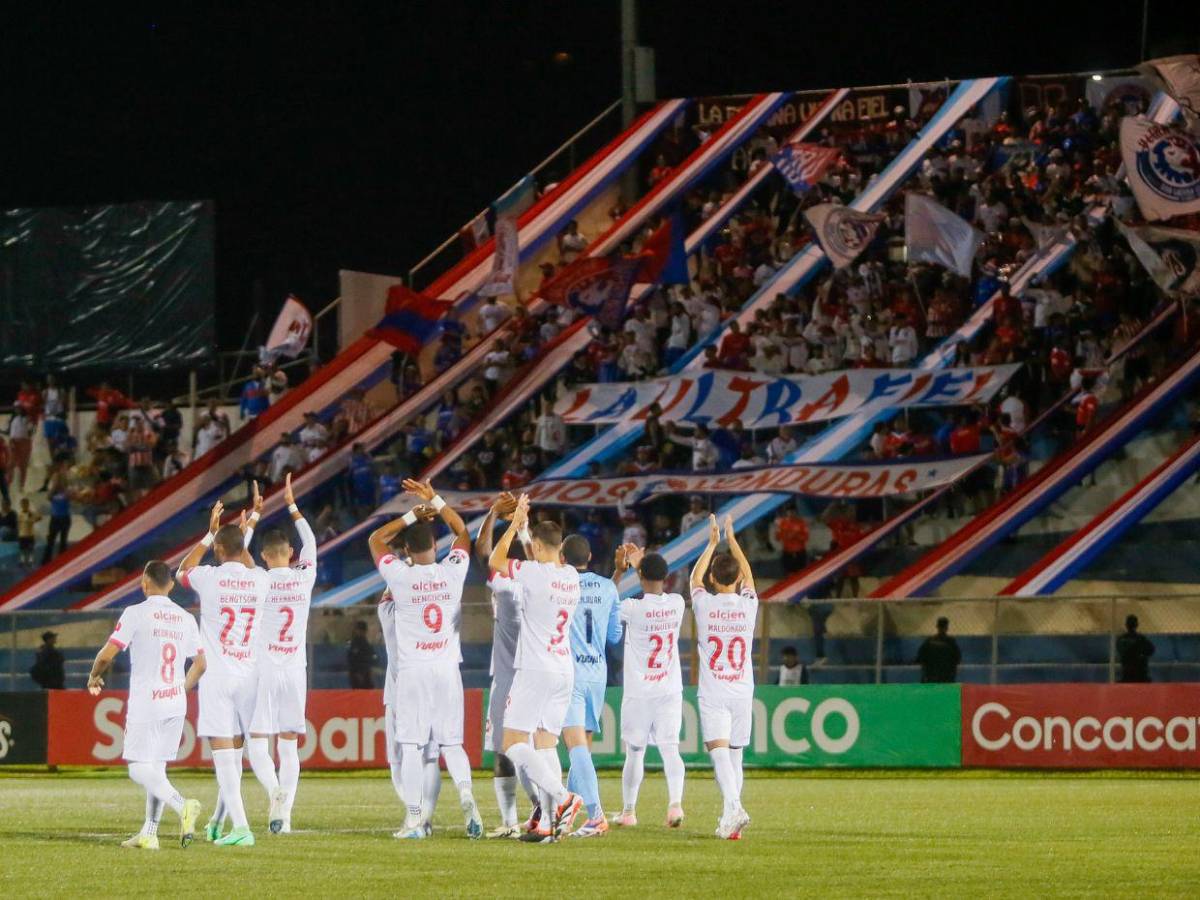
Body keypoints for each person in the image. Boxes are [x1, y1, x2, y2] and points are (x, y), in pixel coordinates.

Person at [368, 479, 482, 840]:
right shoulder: (453, 571)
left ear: (406, 550)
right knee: (452, 744)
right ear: (435, 545)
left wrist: (409, 514)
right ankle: (467, 798)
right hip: (448, 667)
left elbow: (374, 540)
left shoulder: (399, 576)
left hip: (414, 671)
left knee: (413, 746)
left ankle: (415, 820)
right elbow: (463, 532)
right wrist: (434, 497)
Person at [86, 560, 206, 849]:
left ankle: (183, 805)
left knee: (137, 768)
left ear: (144, 582)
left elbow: (107, 654)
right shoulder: (185, 618)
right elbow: (201, 664)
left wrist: (93, 676)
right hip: (175, 703)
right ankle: (149, 833)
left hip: (147, 702)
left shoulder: (136, 613)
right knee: (157, 770)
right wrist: (180, 688)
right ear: (171, 585)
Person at [488, 494, 584, 843]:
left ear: (542, 547)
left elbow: (496, 559)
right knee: (545, 745)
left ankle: (563, 799)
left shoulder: (533, 573)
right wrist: (527, 527)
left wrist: (514, 526)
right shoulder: (570, 575)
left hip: (535, 668)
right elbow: (539, 559)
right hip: (563, 669)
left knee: (512, 743)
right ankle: (546, 826)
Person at [176, 499, 270, 847]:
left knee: (223, 756)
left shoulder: (209, 578)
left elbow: (181, 571)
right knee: (239, 753)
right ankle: (219, 821)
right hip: (250, 674)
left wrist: (208, 534)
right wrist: (247, 528)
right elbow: (245, 559)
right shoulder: (260, 580)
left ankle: (242, 828)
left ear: (218, 549)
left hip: (217, 676)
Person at [241, 475, 315, 835]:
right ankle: (284, 819)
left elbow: (234, 555)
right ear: (291, 554)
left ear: (264, 556)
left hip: (265, 668)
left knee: (256, 742)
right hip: (296, 671)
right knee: (289, 745)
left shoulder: (258, 579)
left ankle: (275, 794)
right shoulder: (305, 577)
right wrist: (293, 505)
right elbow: (313, 543)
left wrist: (253, 517)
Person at [474, 493, 538, 839]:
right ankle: (530, 814)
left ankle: (523, 816)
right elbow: (531, 561)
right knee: (523, 749)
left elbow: (482, 551)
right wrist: (523, 529)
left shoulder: (506, 587)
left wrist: (495, 516)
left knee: (506, 750)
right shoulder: (536, 585)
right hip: (533, 678)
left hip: (508, 679)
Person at [690, 514, 756, 840]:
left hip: (714, 689)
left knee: (719, 754)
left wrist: (712, 543)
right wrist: (733, 539)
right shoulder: (749, 605)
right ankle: (731, 821)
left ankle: (734, 806)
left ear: (714, 580)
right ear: (738, 578)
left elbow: (693, 579)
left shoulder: (705, 606)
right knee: (736, 756)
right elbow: (750, 578)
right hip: (743, 689)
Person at [612, 545, 687, 829]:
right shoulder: (677, 603)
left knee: (635, 752)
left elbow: (608, 602)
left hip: (639, 692)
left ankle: (629, 811)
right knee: (670, 748)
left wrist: (626, 568)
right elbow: (653, 580)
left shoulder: (632, 608)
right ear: (667, 577)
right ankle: (675, 805)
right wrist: (642, 564)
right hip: (668, 689)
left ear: (640, 575)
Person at [559, 533, 622, 838]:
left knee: (574, 746)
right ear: (590, 557)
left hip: (569, 672)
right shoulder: (608, 587)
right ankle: (566, 813)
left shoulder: (560, 585)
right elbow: (614, 637)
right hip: (597, 672)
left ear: (562, 557)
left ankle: (596, 815)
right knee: (580, 748)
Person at [916, 617, 962, 683]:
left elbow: (920, 657)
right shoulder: (951, 642)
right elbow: (957, 658)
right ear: (946, 628)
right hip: (947, 678)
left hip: (931, 677)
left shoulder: (929, 641)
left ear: (937, 627)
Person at [1116, 614, 1155, 683]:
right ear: (1137, 625)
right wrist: (1141, 655)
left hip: (1126, 674)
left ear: (1126, 625)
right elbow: (1151, 650)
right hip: (1140, 674)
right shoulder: (1141, 638)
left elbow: (1120, 651)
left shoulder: (1121, 639)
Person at [346, 621, 376, 689]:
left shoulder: (364, 642)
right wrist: (358, 673)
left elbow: (369, 657)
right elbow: (353, 659)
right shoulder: (356, 642)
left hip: (364, 672)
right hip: (358, 673)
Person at [16, 497, 40, 567]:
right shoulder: (20, 514)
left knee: (31, 548)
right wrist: (18, 532)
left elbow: (39, 517)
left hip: (30, 534)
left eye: (25, 504)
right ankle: (22, 560)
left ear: (28, 504)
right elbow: (19, 523)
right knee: (22, 549)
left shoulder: (31, 512)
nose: (24, 505)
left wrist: (33, 520)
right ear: (21, 505)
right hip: (22, 534)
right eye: (22, 504)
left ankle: (31, 560)